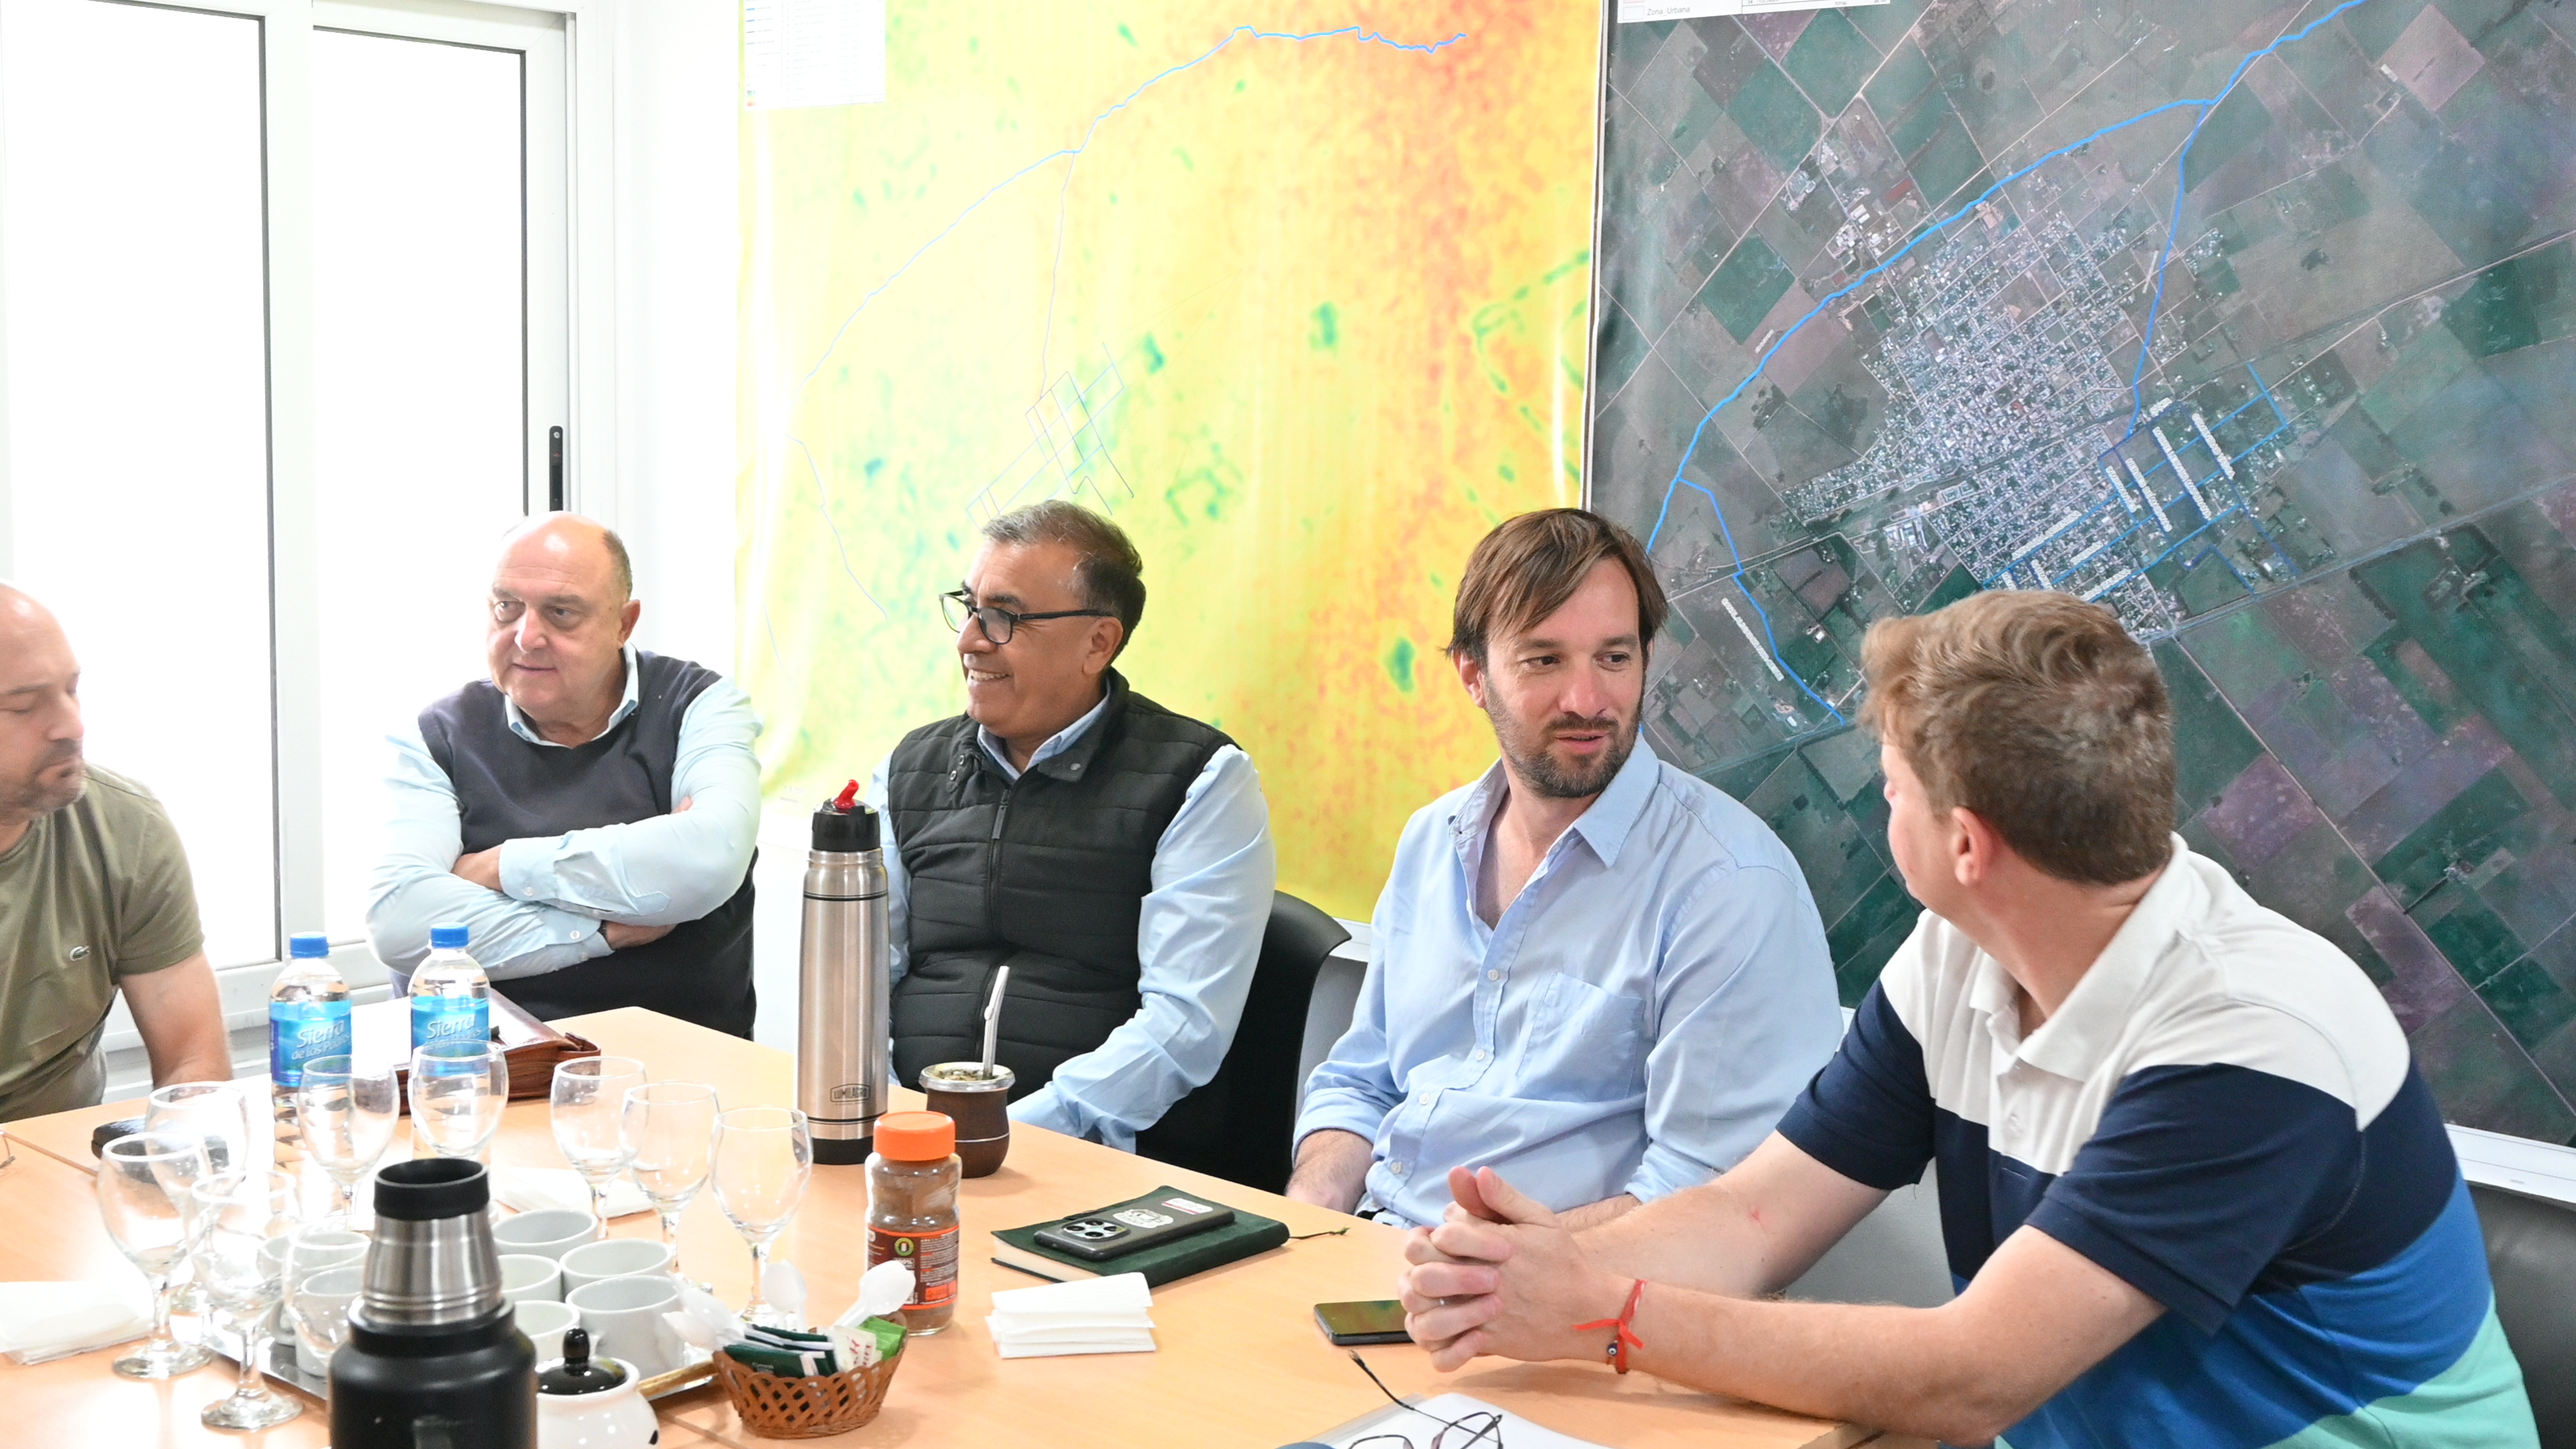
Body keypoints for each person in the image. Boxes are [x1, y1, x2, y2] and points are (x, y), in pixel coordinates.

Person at [1397, 590, 2538, 1448]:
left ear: (1965, 843)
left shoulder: (2255, 1041)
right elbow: (1755, 1215)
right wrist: (1534, 1269)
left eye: (1893, 784)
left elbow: (1973, 1375)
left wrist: (1606, 1312)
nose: (1882, 801)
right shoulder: (1957, 956)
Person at [1288, 508, 1841, 1230]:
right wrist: (1309, 1213)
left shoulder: (1730, 885)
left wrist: (1485, 1266)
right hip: (1371, 1249)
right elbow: (1362, 1083)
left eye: (1614, 659)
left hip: (1569, 1283)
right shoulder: (1432, 840)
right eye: (1544, 661)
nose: (1587, 701)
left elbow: (1707, 1199)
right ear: (1474, 675)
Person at [870, 500, 1275, 1150]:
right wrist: (886, 1111)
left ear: (1098, 643)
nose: (969, 640)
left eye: (1003, 616)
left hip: (1093, 1155)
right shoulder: (909, 769)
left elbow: (1184, 1025)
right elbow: (861, 975)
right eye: (969, 607)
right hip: (908, 1137)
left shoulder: (1198, 781)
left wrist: (1013, 1134)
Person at [366, 514, 763, 1035]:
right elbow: (399, 924)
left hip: (675, 1065)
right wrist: (602, 931)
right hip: (473, 1065)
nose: (527, 637)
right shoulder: (435, 737)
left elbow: (707, 861)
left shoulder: (699, 706)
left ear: (624, 624)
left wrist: (499, 868)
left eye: (561, 613)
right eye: (507, 607)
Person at [0, 584, 230, 1120]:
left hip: (57, 1156)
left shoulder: (125, 827)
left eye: (72, 690)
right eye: (23, 706)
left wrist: (177, 1146)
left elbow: (193, 1058)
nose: (72, 726)